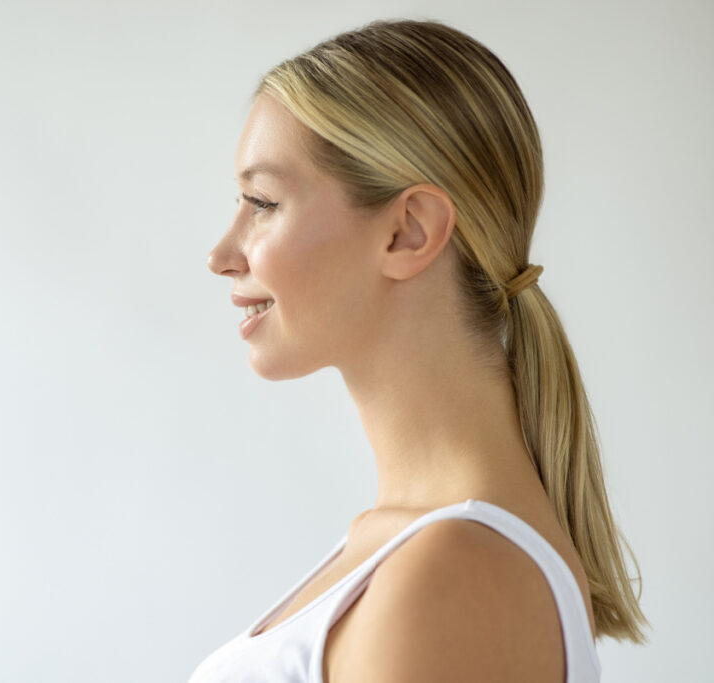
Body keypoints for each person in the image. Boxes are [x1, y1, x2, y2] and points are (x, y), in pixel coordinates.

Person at [194, 18, 649, 683]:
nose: (221, 256)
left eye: (262, 201)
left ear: (409, 231)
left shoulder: (454, 577)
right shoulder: (416, 552)